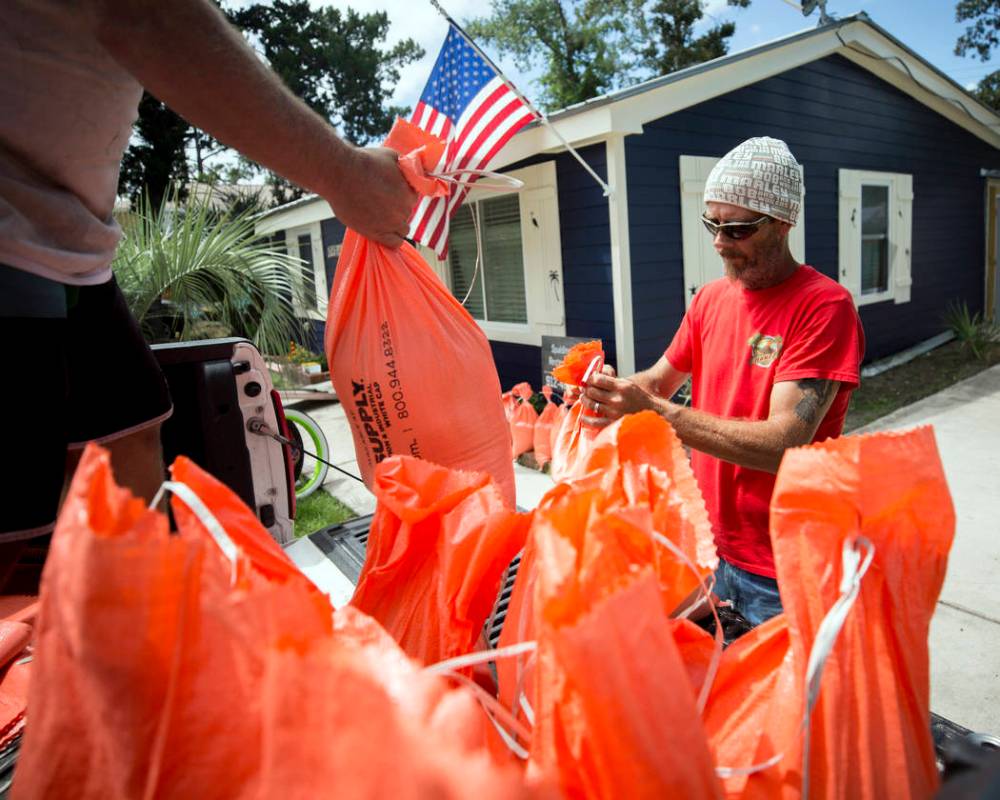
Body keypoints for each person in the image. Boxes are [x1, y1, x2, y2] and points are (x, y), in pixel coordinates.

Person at [0, 0, 418, 586]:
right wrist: (345, 174)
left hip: (73, 256)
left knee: (134, 454)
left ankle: (133, 653)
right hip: (13, 250)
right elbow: (148, 17)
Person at [579, 137, 865, 626]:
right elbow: (658, 381)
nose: (718, 241)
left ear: (783, 222)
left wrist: (654, 412)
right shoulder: (710, 298)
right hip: (706, 542)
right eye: (712, 223)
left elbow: (784, 443)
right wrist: (610, 388)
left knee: (781, 702)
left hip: (781, 563)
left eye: (736, 228)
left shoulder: (824, 307)